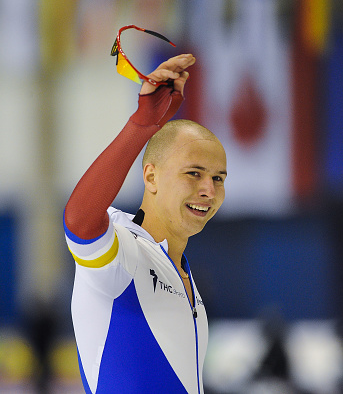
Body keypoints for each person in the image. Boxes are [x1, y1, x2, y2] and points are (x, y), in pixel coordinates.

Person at [63, 53, 227, 394]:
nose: (208, 190)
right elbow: (79, 221)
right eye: (194, 174)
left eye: (218, 178)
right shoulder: (126, 254)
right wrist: (141, 124)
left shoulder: (185, 276)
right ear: (150, 177)